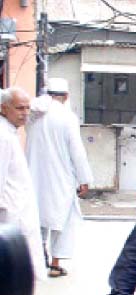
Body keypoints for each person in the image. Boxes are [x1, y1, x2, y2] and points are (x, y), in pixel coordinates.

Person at [26, 77, 92, 279]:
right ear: (66, 96)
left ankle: (36, 261)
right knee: (62, 219)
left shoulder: (34, 115)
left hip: (34, 174)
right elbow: (77, 151)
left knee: (37, 218)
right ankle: (55, 263)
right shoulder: (67, 117)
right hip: (61, 175)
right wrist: (84, 178)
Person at [0, 87, 48, 295]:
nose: (25, 113)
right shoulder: (3, 137)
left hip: (17, 217)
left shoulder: (9, 133)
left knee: (16, 278)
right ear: (4, 108)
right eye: (19, 108)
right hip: (10, 221)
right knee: (16, 279)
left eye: (26, 108)